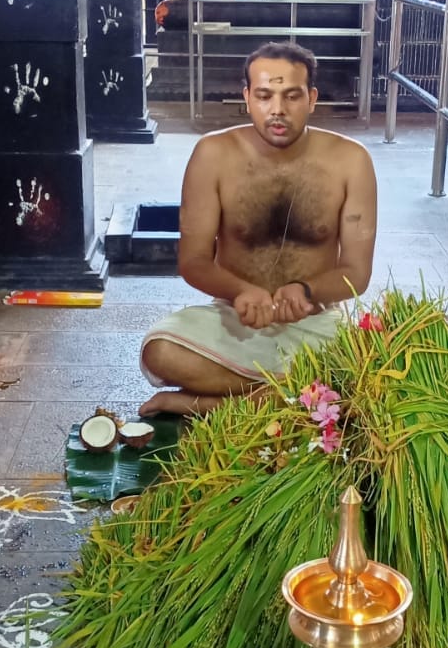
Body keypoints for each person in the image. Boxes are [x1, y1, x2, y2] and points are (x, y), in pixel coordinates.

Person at [139, 43, 379, 417]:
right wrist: (241, 292)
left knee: (374, 374)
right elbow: (194, 260)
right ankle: (305, 398)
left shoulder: (351, 161)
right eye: (265, 96)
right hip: (235, 320)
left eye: (292, 96)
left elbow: (357, 274)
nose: (278, 110)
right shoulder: (212, 155)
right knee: (160, 351)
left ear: (312, 99)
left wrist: (307, 290)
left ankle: (208, 404)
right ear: (247, 97)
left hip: (314, 324)